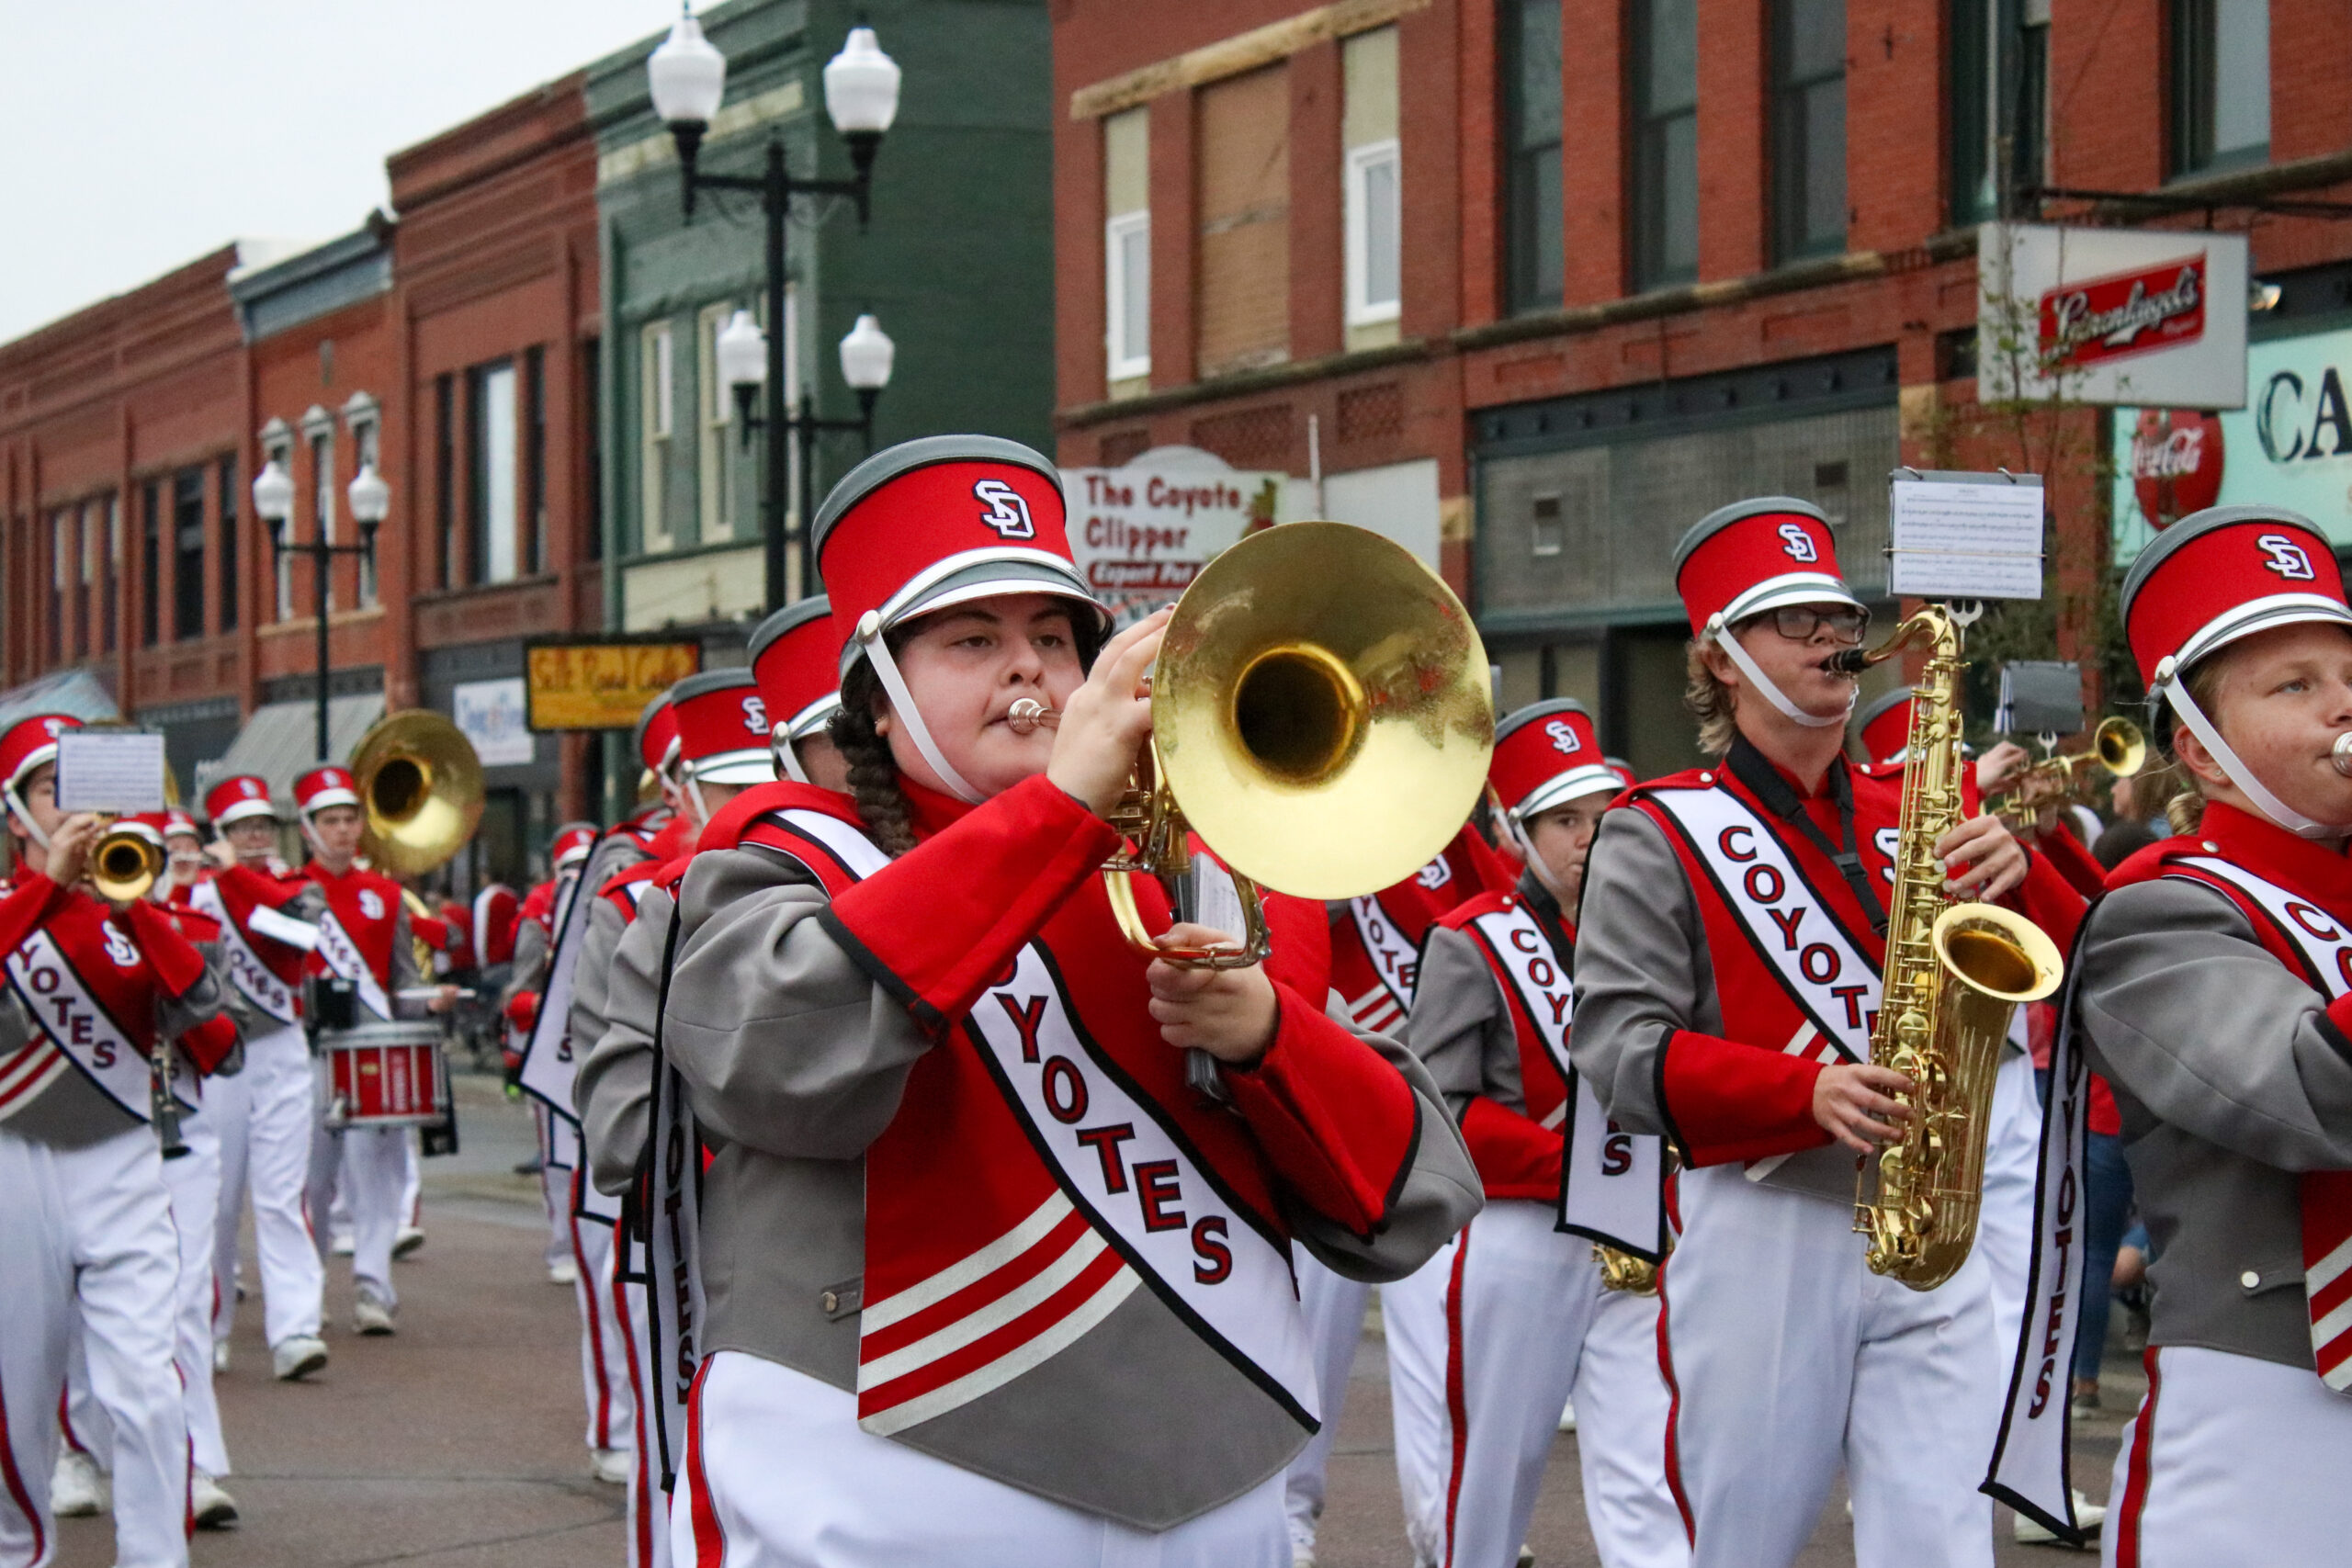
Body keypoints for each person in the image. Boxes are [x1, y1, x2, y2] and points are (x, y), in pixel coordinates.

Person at [591, 434, 1477, 1567]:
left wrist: (1263, 1038)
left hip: (1202, 1471)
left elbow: (1410, 1202)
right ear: (881, 692)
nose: (1030, 673)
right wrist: (1060, 805)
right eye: (974, 640)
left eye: (1053, 639)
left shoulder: (1184, 871)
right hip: (885, 1469)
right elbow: (774, 1073)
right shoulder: (781, 863)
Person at [1570, 498, 2068, 1568]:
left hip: (1933, 1225)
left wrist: (2021, 883)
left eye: (1836, 614)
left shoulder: (1916, 804)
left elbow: (2038, 986)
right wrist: (1798, 1094)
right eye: (1789, 620)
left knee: (1941, 1542)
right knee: (1743, 1539)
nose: (1830, 637)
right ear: (1720, 658)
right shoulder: (1655, 831)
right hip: (1764, 1225)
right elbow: (1617, 1051)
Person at [2047, 505, 2352, 1562]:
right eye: (2294, 687)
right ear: (2202, 752)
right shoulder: (2162, 912)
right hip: (2274, 1399)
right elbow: (2313, 1094)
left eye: (2347, 677)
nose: (2343, 709)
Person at [1390, 700, 1682, 1568]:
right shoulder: (1471, 940)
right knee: (1491, 1468)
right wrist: (1581, 1169)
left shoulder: (1655, 935)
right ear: (1514, 832)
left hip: (1639, 1236)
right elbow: (1438, 1109)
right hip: (1515, 1235)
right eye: (1564, 821)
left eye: (1603, 815)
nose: (1590, 838)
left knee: (1647, 1468)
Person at [0, 714, 239, 1568]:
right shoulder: (7, 907)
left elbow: (219, 1041)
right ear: (15, 810)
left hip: (122, 1159)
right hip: (14, 1164)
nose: (75, 810)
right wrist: (48, 890)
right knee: (17, 1402)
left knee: (147, 1387)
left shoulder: (141, 912)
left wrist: (139, 914)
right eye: (50, 786)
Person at [1284, 821, 1506, 1568]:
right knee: (1292, 1332)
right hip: (1305, 1067)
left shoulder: (1441, 835)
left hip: (1389, 1103)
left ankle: (1437, 1529)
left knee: (1399, 1339)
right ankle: (1286, 1516)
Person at [293, 761, 446, 1337]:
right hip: (307, 1053)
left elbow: (401, 983)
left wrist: (430, 1000)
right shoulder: (287, 894)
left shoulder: (385, 895)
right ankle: (305, 1290)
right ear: (308, 828)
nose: (341, 831)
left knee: (375, 1177)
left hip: (369, 1052)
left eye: (349, 819)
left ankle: (373, 1287)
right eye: (329, 821)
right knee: (310, 1182)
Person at [194, 773, 333, 1381]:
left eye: (262, 825)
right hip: (220, 1056)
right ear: (220, 833)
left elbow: (299, 932)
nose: (254, 836)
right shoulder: (196, 892)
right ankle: (210, 1325)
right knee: (217, 1200)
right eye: (241, 827)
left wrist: (228, 873)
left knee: (282, 1194)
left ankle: (296, 1329)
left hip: (280, 1048)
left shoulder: (296, 886)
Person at [505, 823, 599, 1287]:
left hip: (601, 1039)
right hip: (554, 1049)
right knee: (559, 1154)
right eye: (571, 870)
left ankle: (598, 1238)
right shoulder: (540, 907)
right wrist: (544, 1008)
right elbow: (516, 996)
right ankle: (563, 1242)